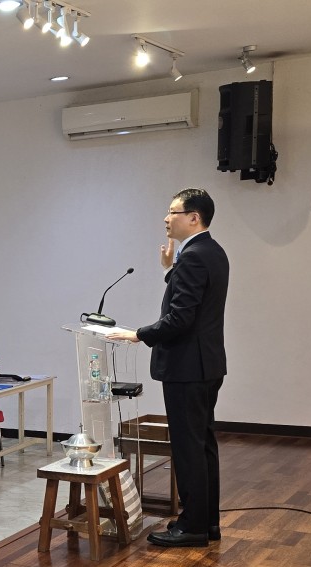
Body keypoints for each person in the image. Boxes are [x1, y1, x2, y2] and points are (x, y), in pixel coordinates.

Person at [106, 188, 230, 548]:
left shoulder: (193, 257)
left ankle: (192, 527)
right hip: (206, 364)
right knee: (203, 445)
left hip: (187, 367)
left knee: (189, 448)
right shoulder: (212, 252)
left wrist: (137, 334)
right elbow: (193, 299)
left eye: (173, 212)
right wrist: (170, 269)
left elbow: (180, 318)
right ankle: (206, 522)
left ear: (194, 217)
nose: (166, 218)